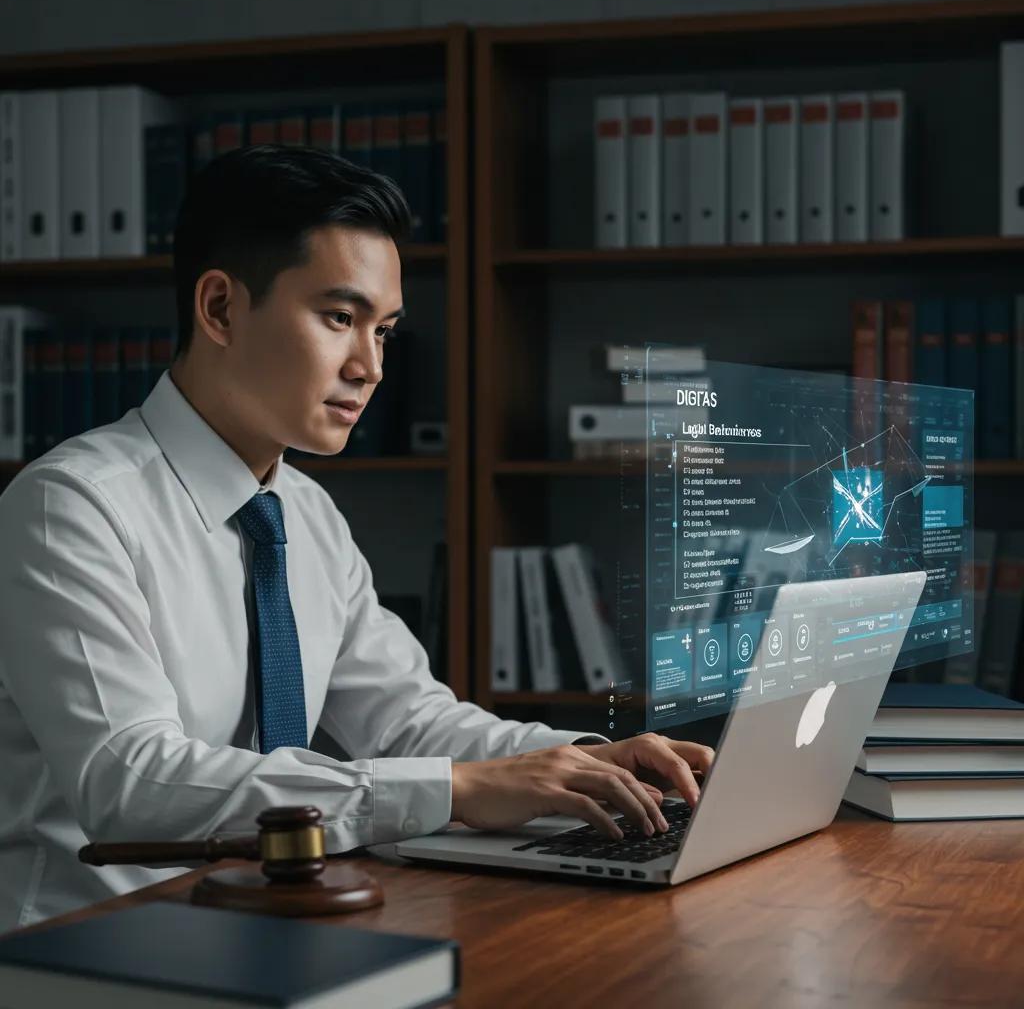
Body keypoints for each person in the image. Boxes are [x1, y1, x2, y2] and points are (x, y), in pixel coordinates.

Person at [0, 146, 712, 931]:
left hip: (264, 927)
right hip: (90, 944)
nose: (370, 366)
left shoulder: (303, 513)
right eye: (340, 318)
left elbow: (410, 719)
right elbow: (129, 781)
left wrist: (582, 761)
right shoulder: (69, 506)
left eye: (385, 331)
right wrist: (453, 790)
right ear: (220, 309)